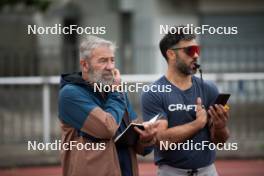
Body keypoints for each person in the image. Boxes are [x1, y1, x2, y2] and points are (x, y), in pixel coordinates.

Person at [58, 35, 156, 176]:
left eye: (112, 60)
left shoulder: (116, 91)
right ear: (85, 65)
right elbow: (106, 128)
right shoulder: (70, 94)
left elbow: (141, 148)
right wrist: (117, 92)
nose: (110, 67)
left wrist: (146, 138)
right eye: (103, 61)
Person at [141, 26, 230, 176]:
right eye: (189, 50)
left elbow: (220, 142)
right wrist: (197, 124)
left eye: (197, 49)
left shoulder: (209, 89)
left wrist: (220, 127)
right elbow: (162, 141)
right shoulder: (154, 92)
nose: (195, 55)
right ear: (171, 54)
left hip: (208, 171)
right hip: (171, 172)